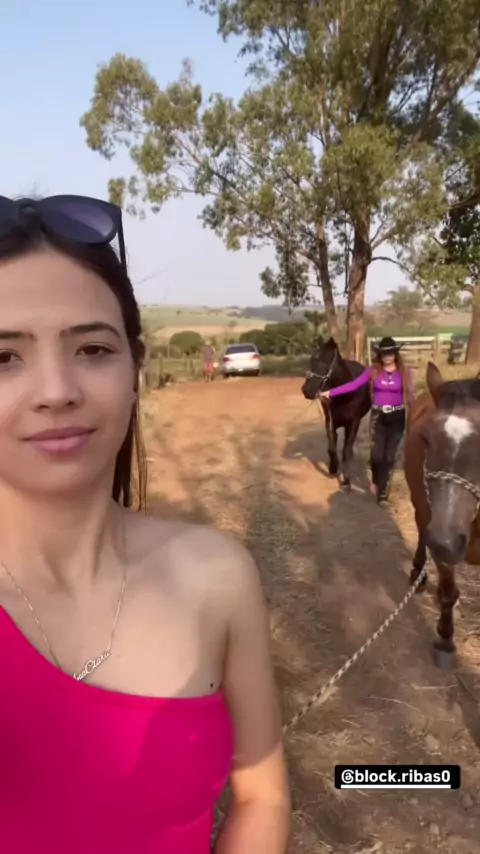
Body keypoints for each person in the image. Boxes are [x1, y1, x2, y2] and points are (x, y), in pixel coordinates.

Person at [0, 195, 291, 853]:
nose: (57, 390)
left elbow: (262, 796)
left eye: (92, 349)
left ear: (136, 370)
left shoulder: (217, 578)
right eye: (4, 357)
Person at [320, 336, 414, 505]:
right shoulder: (373, 371)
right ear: (380, 355)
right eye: (384, 353)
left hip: (397, 417)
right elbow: (353, 385)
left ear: (395, 354)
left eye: (390, 353)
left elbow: (410, 395)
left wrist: (416, 412)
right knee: (377, 456)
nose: (387, 357)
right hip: (378, 417)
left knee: (389, 456)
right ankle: (376, 479)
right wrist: (331, 392)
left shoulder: (405, 372)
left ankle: (383, 493)